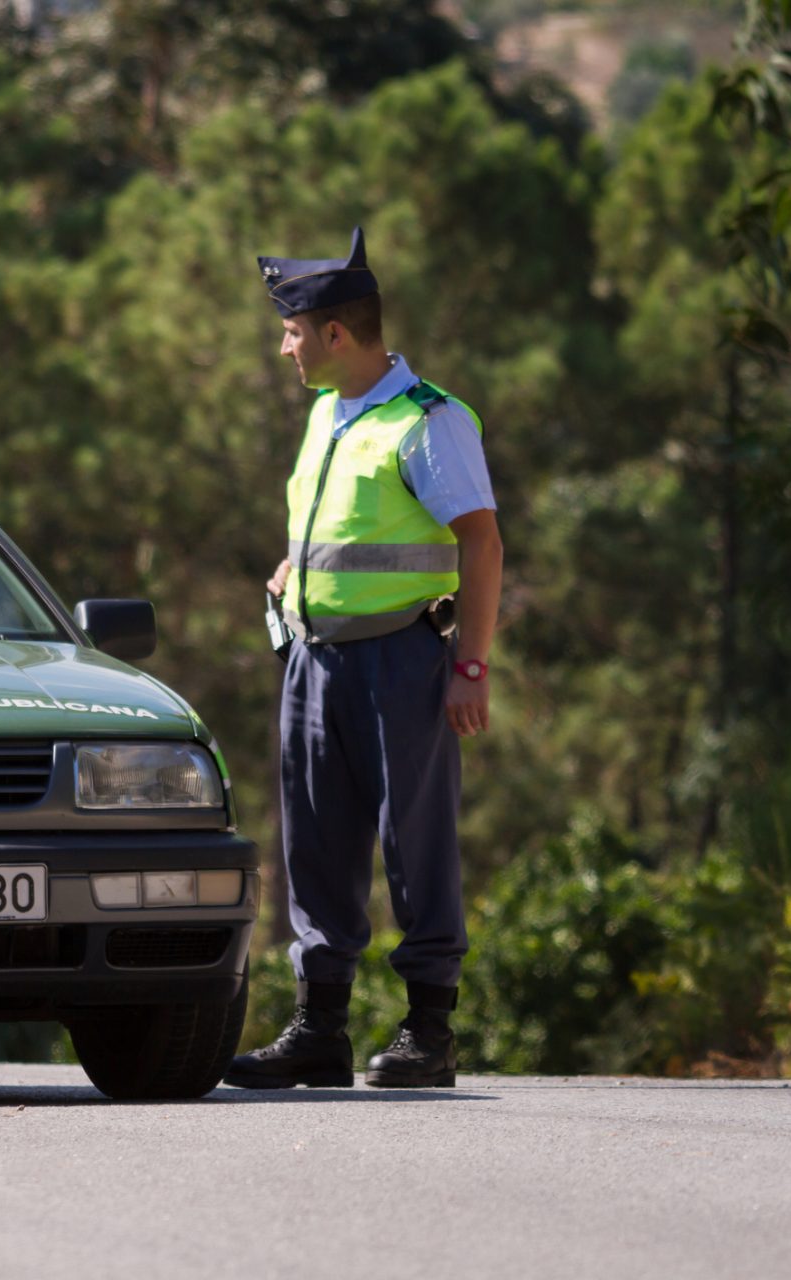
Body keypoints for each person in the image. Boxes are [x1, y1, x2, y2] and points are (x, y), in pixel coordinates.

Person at [225, 227, 503, 1091]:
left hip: (402, 663)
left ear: (336, 333)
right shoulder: (327, 414)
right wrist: (291, 573)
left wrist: (470, 665)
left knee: (412, 843)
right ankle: (321, 1030)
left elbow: (483, 545)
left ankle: (429, 1032)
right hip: (315, 662)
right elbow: (338, 531)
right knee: (315, 839)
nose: (285, 346)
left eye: (293, 332)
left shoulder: (428, 421)